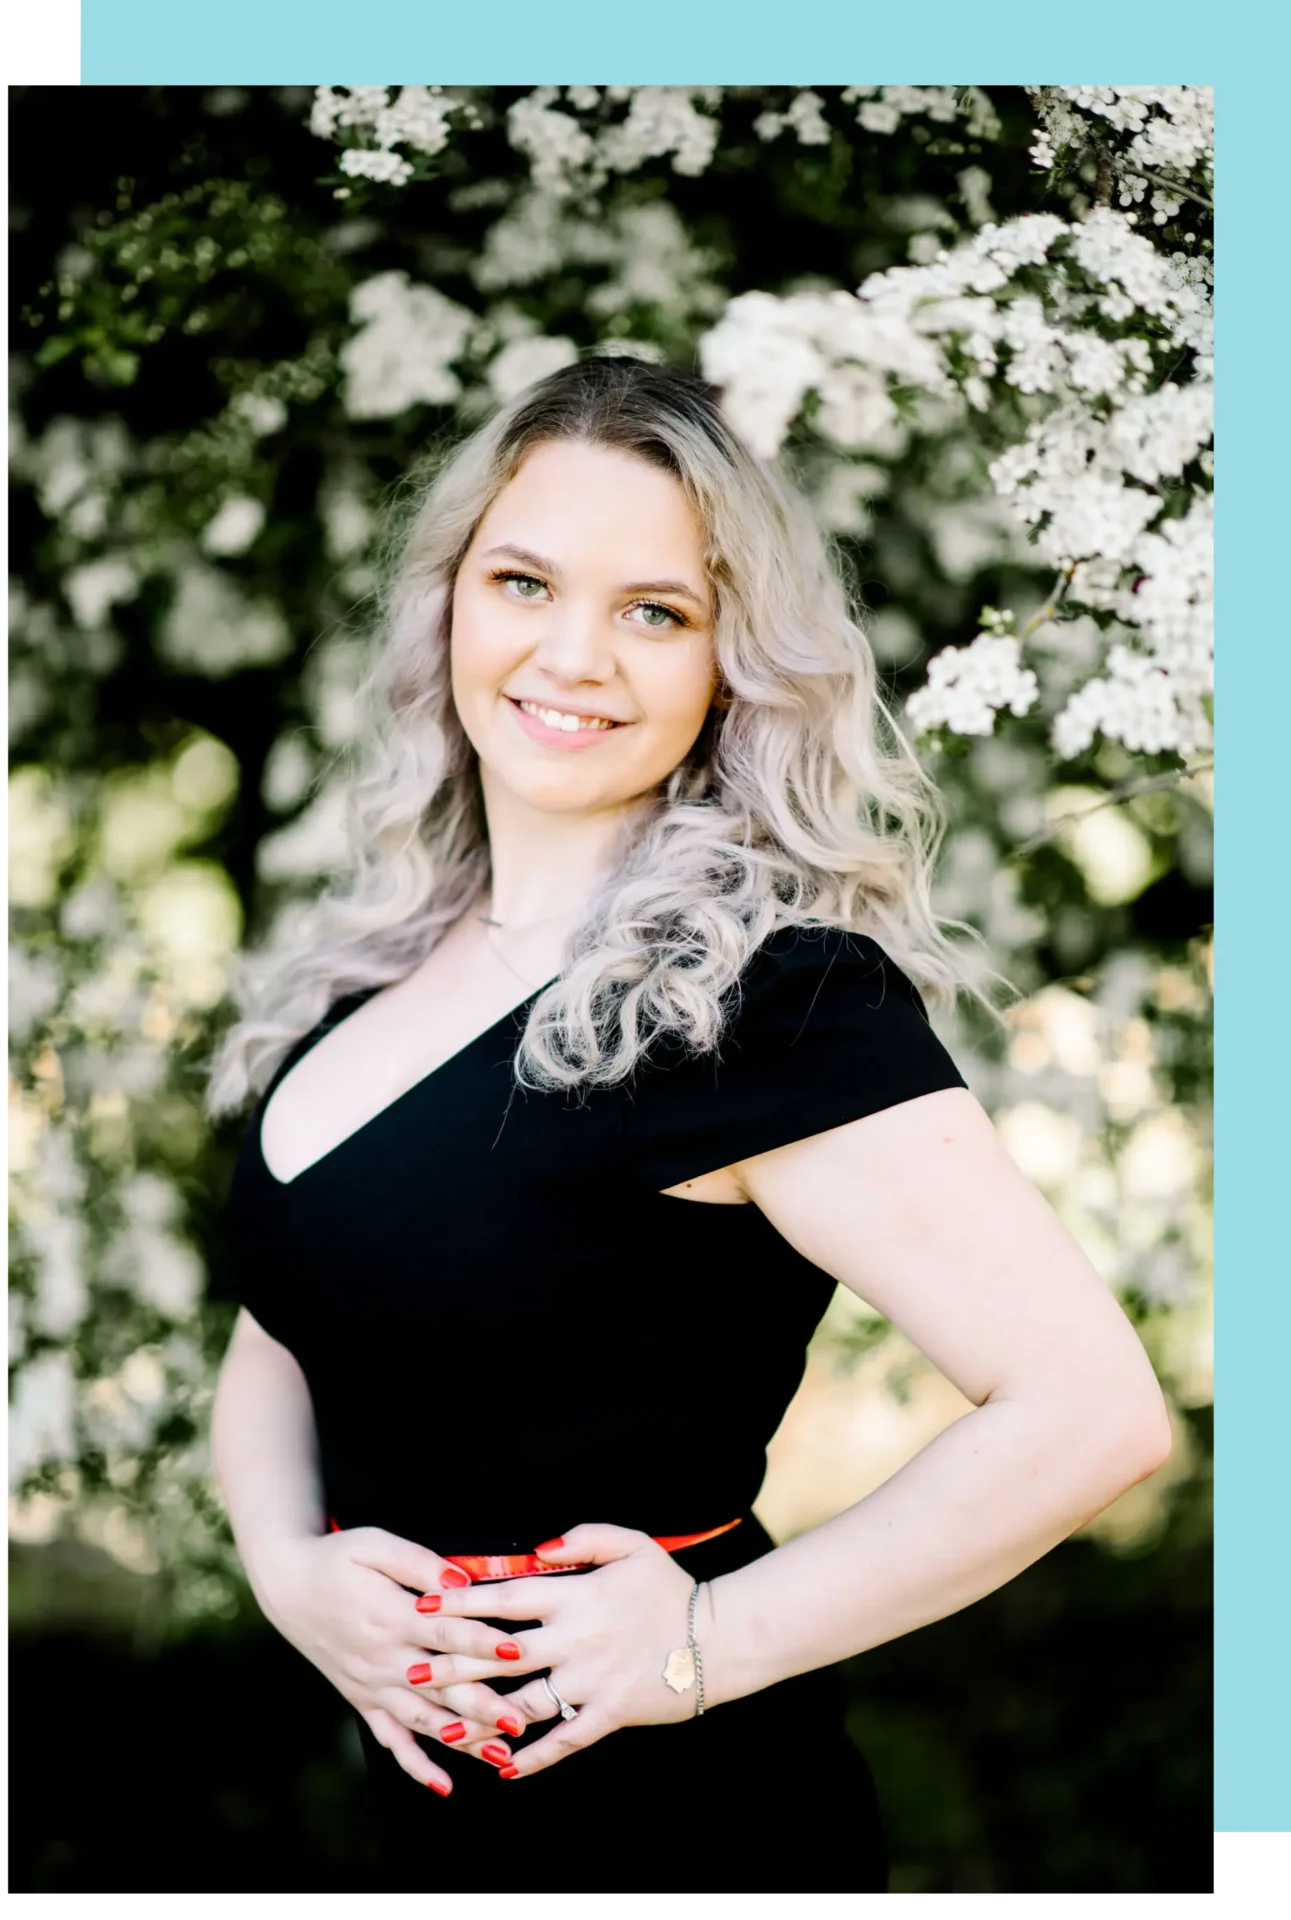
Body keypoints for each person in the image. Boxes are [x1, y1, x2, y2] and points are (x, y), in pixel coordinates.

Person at [204, 354, 1171, 1893]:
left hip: (690, 1838)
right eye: (523, 581)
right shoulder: (375, 969)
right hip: (433, 1826)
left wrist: (706, 1646)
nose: (571, 654)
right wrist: (286, 1573)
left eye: (654, 611)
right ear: (453, 601)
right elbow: (280, 1333)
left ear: (732, 662)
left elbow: (1090, 1412)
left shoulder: (773, 1001)